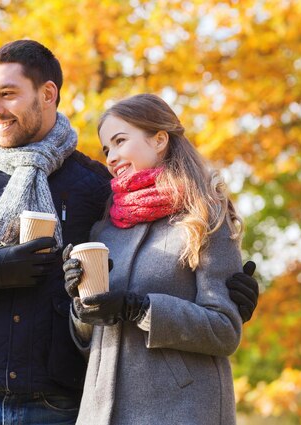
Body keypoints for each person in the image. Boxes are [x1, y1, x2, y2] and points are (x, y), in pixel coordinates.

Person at [0, 40, 258, 425]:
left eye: (7, 95)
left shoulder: (97, 186)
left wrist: (229, 293)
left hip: (57, 405)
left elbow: (151, 258)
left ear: (48, 94)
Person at [62, 93, 250, 425]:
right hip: (100, 412)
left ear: (159, 139)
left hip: (182, 410)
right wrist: (81, 308)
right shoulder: (104, 229)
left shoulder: (205, 217)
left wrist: (142, 308)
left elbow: (224, 330)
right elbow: (91, 343)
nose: (112, 157)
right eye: (107, 149)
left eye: (120, 141)